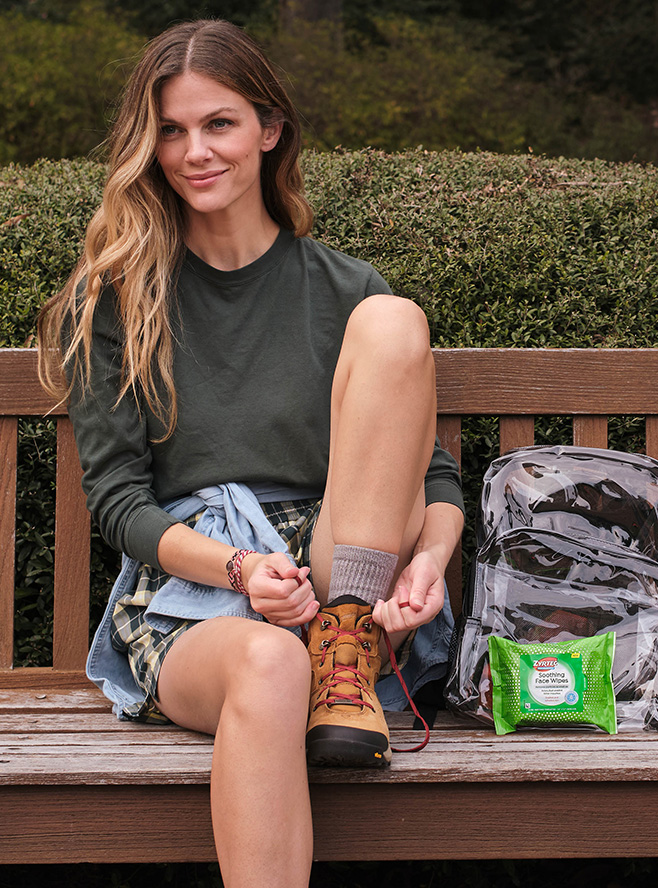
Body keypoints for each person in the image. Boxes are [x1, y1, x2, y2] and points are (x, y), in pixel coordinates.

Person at [37, 19, 464, 888]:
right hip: (202, 579)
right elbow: (119, 504)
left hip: (346, 567)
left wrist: (431, 559)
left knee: (396, 323)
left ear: (270, 130)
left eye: (219, 123)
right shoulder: (116, 297)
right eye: (170, 129)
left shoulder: (346, 290)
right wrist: (237, 570)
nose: (194, 151)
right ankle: (319, 670)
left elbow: (434, 472)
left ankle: (345, 653)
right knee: (268, 664)